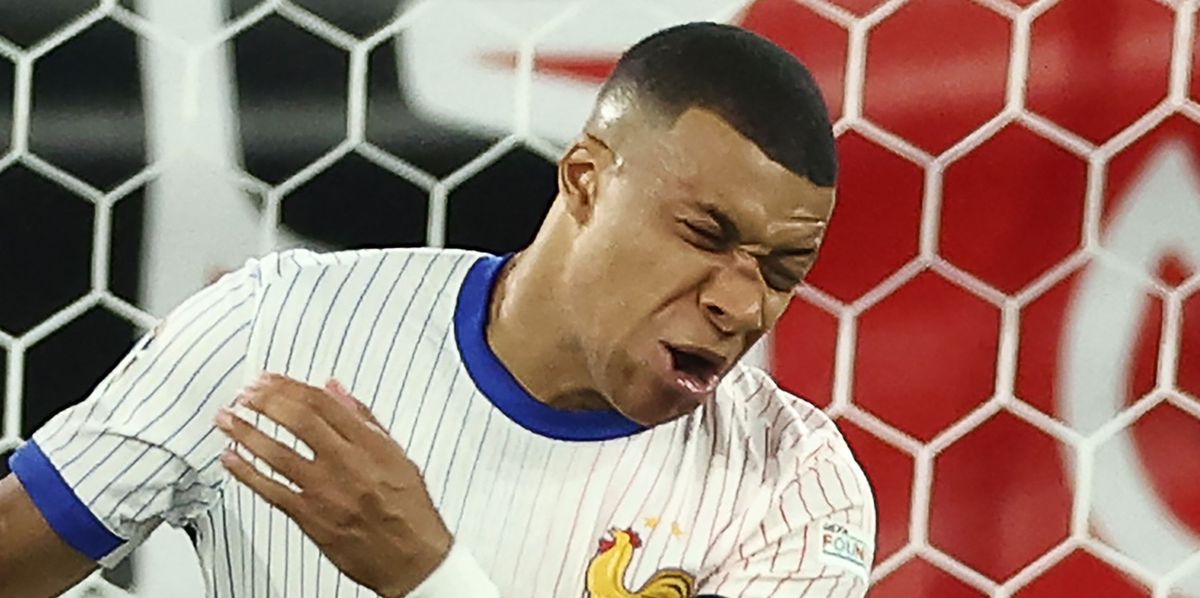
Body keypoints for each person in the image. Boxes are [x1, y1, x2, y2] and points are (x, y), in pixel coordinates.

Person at [0, 21, 875, 598]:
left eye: (783, 268)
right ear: (584, 181)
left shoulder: (796, 489)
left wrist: (425, 574)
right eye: (702, 234)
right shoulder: (276, 331)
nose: (738, 302)